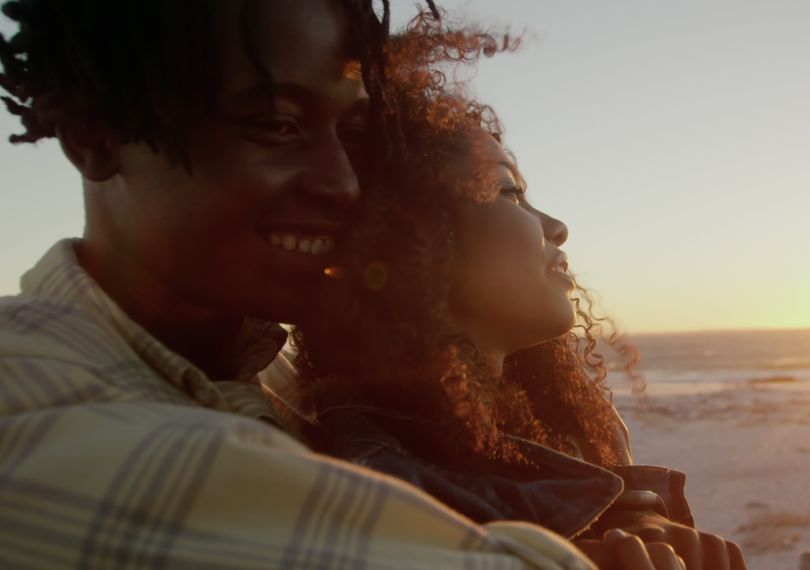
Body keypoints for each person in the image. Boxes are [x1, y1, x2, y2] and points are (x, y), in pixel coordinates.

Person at [0, 1, 679, 567]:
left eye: (348, 133)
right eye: (277, 124)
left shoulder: (286, 381)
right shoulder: (39, 414)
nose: (342, 183)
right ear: (94, 132)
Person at [287, 21, 747, 568]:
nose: (556, 225)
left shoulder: (514, 429)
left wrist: (632, 511)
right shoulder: (390, 492)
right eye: (509, 192)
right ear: (408, 236)